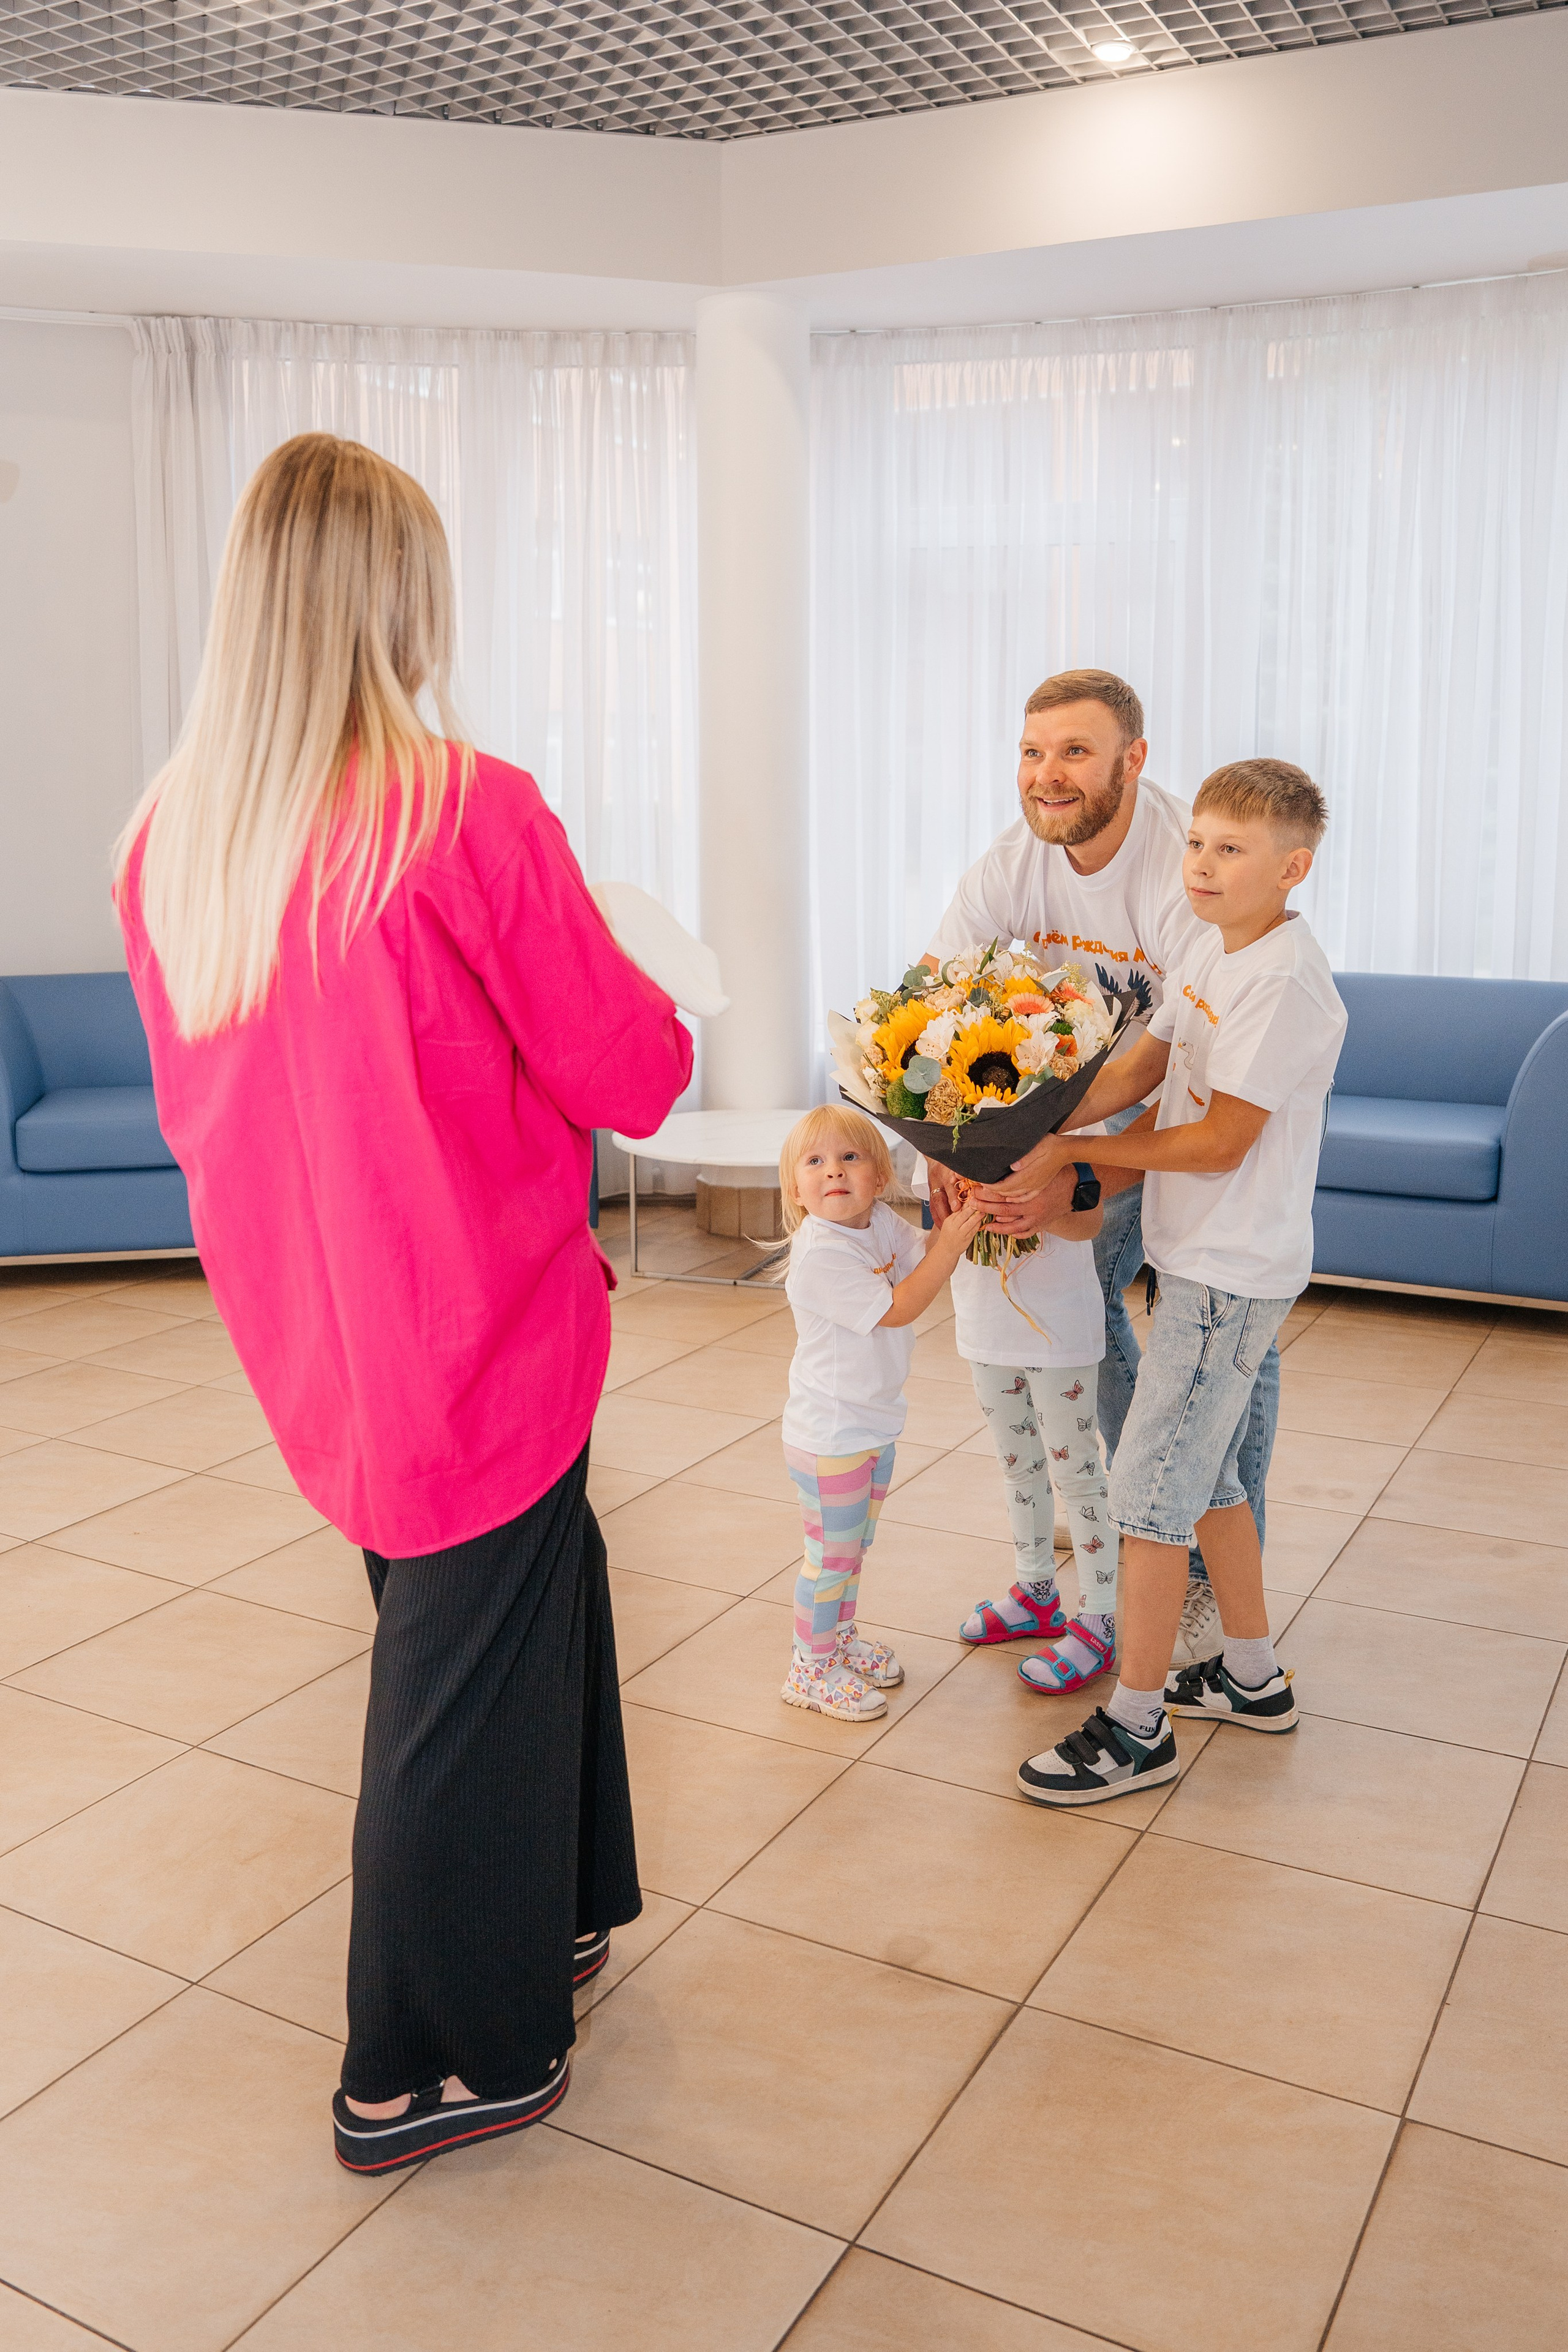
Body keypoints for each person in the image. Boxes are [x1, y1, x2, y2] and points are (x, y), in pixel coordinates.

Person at [114, 432, 692, 2173]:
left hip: (321, 1333)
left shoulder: (172, 840)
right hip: (474, 1332)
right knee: (452, 1688)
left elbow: (196, 1103)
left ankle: (562, 1906)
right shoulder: (464, 806)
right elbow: (635, 1070)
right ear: (395, 600)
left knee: (542, 1606)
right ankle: (430, 2059)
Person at [926, 668, 1280, 1667]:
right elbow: (935, 1011)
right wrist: (949, 1151)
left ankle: (1209, 1576)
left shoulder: (1189, 870)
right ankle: (1132, 1554)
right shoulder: (1007, 866)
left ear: (1134, 759)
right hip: (1073, 1120)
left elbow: (1192, 1077)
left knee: (1218, 1355)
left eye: (1075, 752)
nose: (1049, 775)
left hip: (1190, 1122)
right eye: (1033, 753)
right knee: (1086, 1334)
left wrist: (1079, 1172)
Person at [1009, 760, 1346, 1806]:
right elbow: (1148, 1066)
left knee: (1149, 1499)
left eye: (1229, 851)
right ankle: (1251, 1679)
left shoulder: (1284, 982)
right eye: (1197, 843)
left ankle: (1137, 1724)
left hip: (1227, 1275)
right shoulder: (1206, 939)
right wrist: (1052, 1127)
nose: (1200, 865)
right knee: (1213, 1486)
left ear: (1293, 868)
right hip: (1192, 1257)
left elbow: (1220, 1142)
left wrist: (1076, 1159)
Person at [778, 1106, 986, 1721]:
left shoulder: (878, 1224)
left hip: (871, 1424)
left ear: (879, 1177)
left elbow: (923, 1251)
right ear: (796, 1188)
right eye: (814, 1162)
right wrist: (948, 1245)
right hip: (830, 1435)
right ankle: (808, 1669)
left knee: (853, 1550)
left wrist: (949, 1222)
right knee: (829, 1559)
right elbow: (898, 1307)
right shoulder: (820, 1254)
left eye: (850, 1157)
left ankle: (837, 1641)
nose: (833, 1172)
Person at [951, 1177, 1118, 1694]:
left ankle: (1100, 1618)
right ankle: (1035, 1593)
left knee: (1080, 1477)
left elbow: (1091, 1220)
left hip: (1060, 1325)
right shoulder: (937, 1116)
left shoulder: (1073, 1116)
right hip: (985, 1322)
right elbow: (941, 1214)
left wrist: (1036, 1208)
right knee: (1018, 1467)